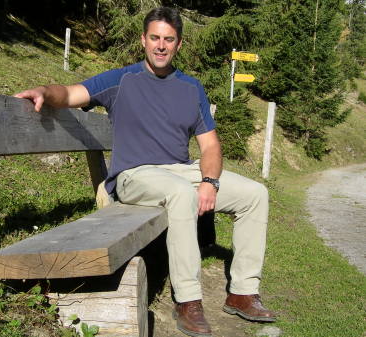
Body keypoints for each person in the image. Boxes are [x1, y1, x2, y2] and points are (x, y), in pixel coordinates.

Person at [15, 7, 276, 337]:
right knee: (181, 194)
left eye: (169, 39)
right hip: (134, 175)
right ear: (143, 40)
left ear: (179, 44)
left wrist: (209, 182)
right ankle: (188, 300)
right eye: (155, 38)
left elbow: (210, 147)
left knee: (255, 194)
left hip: (180, 171)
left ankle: (242, 292)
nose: (161, 46)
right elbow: (69, 93)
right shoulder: (120, 80)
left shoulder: (191, 88)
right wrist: (43, 92)